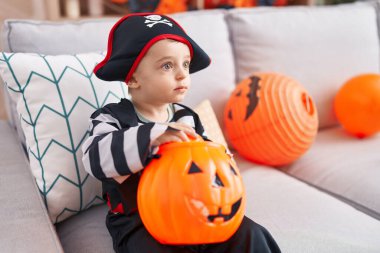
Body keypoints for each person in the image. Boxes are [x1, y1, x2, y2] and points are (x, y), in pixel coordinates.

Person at [82, 13, 281, 253]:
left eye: (185, 64)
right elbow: (94, 158)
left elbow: (216, 160)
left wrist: (221, 153)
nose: (182, 74)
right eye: (167, 65)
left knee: (251, 234)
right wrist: (154, 136)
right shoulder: (112, 118)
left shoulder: (188, 117)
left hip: (197, 211)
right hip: (140, 222)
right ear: (133, 78)